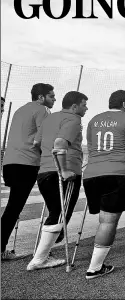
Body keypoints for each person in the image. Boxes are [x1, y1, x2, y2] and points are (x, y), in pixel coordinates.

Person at [83, 90, 125, 279]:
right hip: (116, 173)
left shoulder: (94, 119)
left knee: (103, 220)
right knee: (108, 221)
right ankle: (94, 267)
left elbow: (91, 145)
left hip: (92, 173)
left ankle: (95, 262)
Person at [27, 91, 88, 271]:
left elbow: (36, 143)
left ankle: (43, 253)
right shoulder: (74, 119)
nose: (86, 108)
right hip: (62, 174)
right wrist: (64, 170)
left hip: (44, 172)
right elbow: (61, 143)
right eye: (84, 105)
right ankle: (39, 259)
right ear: (74, 106)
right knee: (60, 213)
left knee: (56, 212)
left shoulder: (49, 119)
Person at [1, 84, 55, 261]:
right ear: (41, 97)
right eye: (51, 96)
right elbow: (42, 139)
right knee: (14, 207)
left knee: (13, 206)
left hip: (10, 162)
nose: (54, 99)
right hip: (26, 163)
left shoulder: (20, 110)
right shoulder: (42, 110)